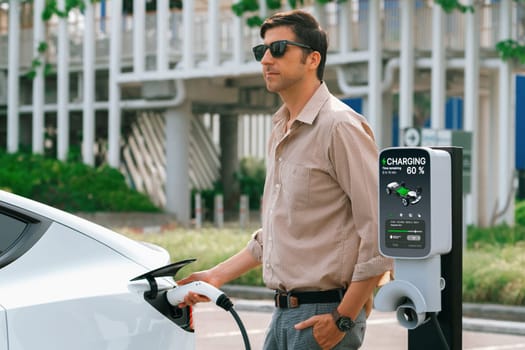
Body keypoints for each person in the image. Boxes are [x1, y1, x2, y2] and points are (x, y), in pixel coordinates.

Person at [178, 9, 393, 350]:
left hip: (322, 315)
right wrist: (215, 276)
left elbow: (380, 231)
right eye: (261, 51)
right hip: (282, 316)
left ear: (312, 59)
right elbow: (278, 233)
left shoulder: (340, 126)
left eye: (278, 49)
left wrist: (342, 319)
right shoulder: (282, 127)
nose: (266, 60)